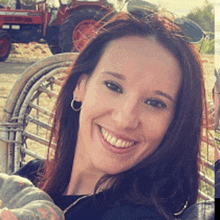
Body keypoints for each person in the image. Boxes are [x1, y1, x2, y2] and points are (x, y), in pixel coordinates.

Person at [14, 9, 210, 220]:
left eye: (155, 103)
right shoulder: (28, 179)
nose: (125, 119)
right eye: (113, 86)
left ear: (174, 123)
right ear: (81, 86)